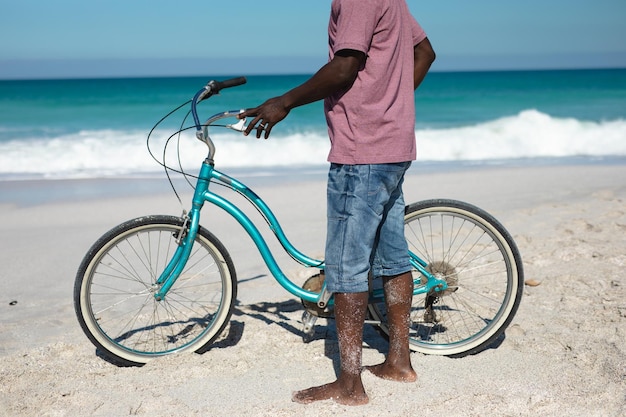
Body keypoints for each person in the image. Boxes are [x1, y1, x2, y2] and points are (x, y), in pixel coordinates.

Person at [238, 0, 435, 406]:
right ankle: (399, 360)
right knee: (393, 255)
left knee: (347, 265)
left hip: (362, 152)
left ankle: (350, 383)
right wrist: (390, 107)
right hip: (392, 145)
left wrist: (285, 101)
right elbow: (425, 51)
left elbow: (345, 65)